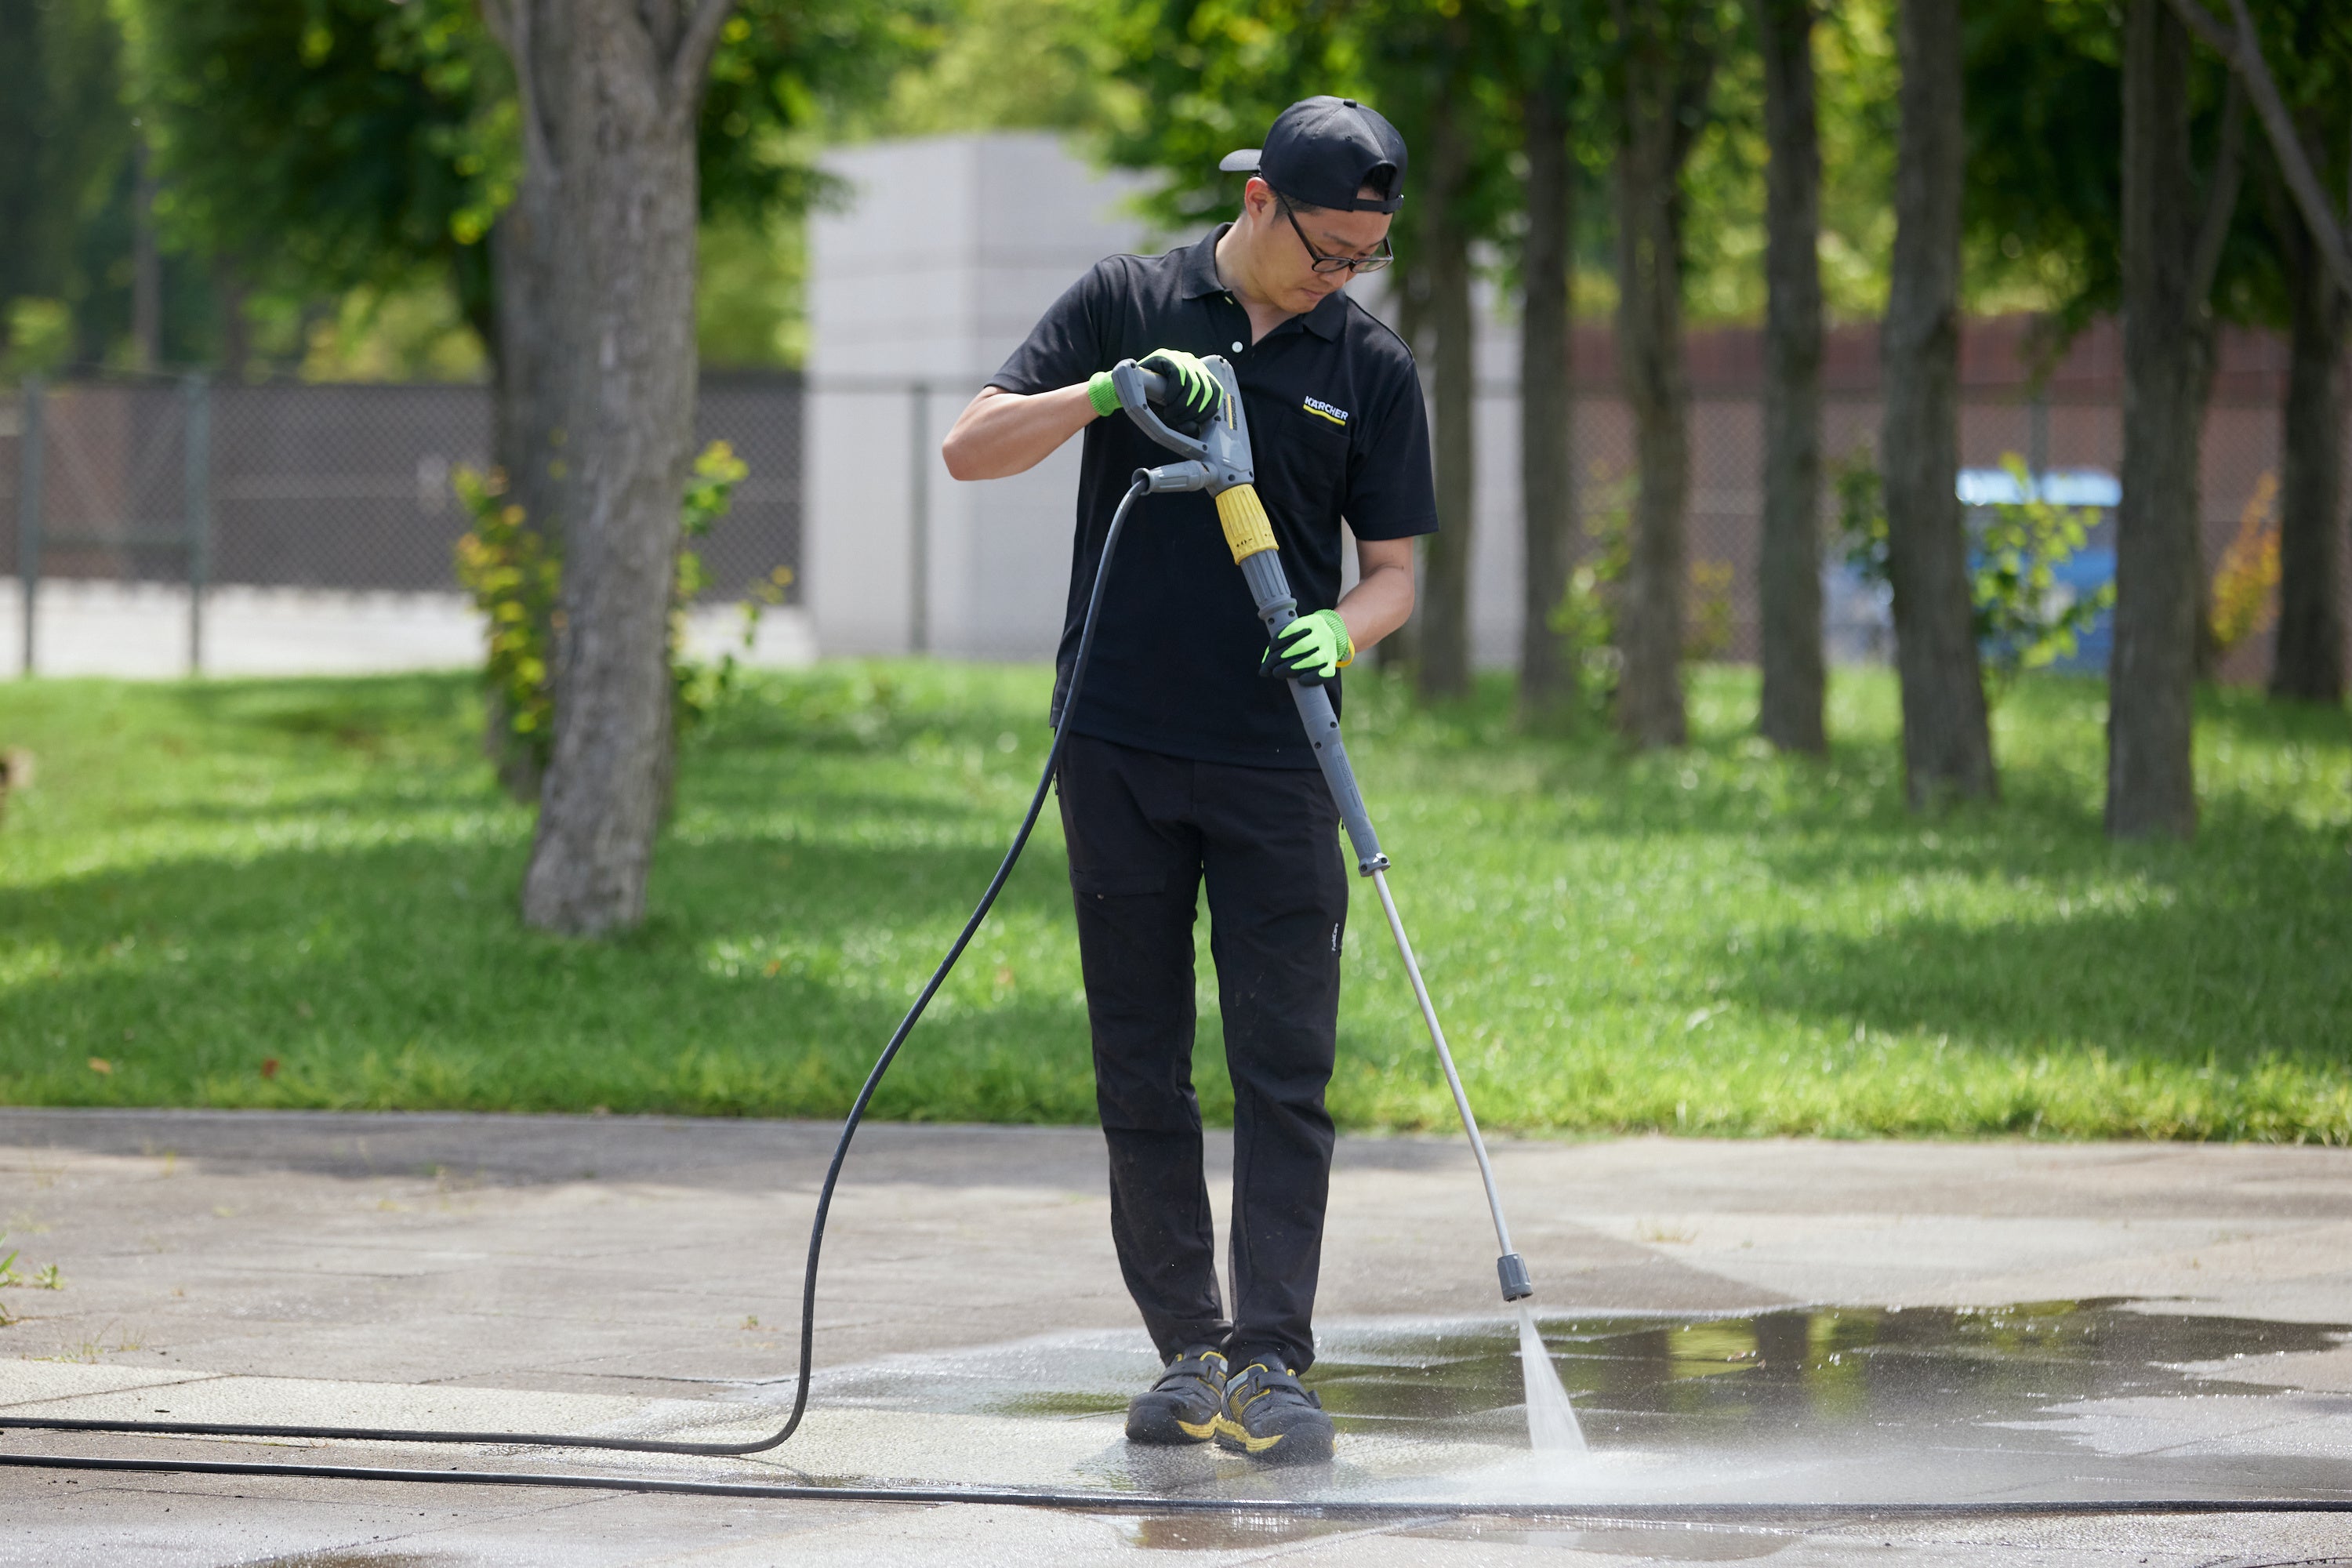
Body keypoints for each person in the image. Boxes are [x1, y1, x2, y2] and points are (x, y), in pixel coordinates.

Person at [940, 96, 1438, 1466]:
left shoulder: (1370, 365)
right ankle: (1187, 1353)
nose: (1340, 278)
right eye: (1325, 249)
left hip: (1284, 761)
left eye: (1364, 260)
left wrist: (1349, 624)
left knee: (1287, 1070)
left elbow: (1394, 573)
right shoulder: (1125, 299)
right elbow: (968, 446)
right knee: (1141, 1065)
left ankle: (1275, 1361)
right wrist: (1109, 393)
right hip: (1118, 747)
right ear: (1262, 200)